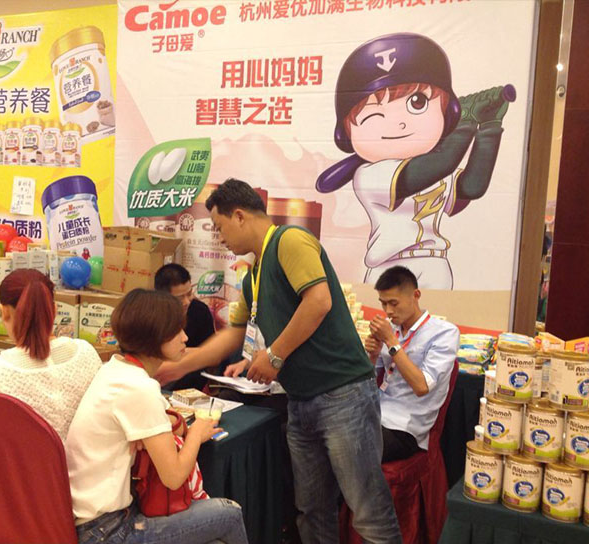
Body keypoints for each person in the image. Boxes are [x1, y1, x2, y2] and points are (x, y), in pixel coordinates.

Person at [156, 179, 401, 544]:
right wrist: (179, 366)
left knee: (368, 512)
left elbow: (318, 301)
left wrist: (274, 355)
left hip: (342, 395)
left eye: (220, 227)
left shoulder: (290, 240)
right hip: (301, 402)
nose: (220, 238)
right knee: (312, 511)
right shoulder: (253, 277)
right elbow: (233, 334)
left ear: (240, 216)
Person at [315, 33, 514, 289]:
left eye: (417, 102)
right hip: (390, 268)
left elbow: (472, 186)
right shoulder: (369, 174)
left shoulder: (434, 165)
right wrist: (465, 122)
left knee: (434, 317)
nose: (399, 123)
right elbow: (442, 163)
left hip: (435, 264)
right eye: (374, 114)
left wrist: (489, 128)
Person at [65, 288, 248, 544]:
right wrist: (196, 434)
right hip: (110, 531)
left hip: (94, 522)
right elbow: (173, 477)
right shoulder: (139, 388)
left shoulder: (115, 369)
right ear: (153, 336)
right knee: (229, 513)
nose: (185, 337)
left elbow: (157, 418)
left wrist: (174, 423)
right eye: (176, 331)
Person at [0, 269, 102, 544]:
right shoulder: (87, 353)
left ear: (3, 313)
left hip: (30, 503)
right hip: (91, 492)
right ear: (54, 310)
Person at [364, 266, 459, 462]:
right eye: (383, 303)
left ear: (416, 295)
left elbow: (421, 386)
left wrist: (392, 342)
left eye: (394, 303)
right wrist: (372, 356)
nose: (388, 311)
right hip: (375, 413)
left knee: (350, 450)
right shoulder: (390, 329)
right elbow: (365, 385)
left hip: (406, 427)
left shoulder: (444, 333)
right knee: (317, 436)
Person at [154, 263, 215, 390]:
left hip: (190, 374)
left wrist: (183, 357)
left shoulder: (199, 311)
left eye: (189, 294)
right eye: (179, 298)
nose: (186, 302)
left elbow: (211, 354)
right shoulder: (149, 315)